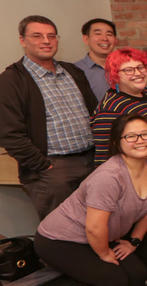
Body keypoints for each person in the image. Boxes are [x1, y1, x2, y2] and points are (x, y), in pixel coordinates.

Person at [36, 114, 147, 286]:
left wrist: (134, 242)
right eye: (131, 136)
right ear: (117, 142)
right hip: (60, 240)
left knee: (137, 271)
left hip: (98, 236)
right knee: (114, 278)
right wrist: (105, 254)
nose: (140, 140)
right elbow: (94, 227)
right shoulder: (109, 176)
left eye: (145, 134)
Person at [0, 15, 98, 218]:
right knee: (62, 229)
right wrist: (42, 165)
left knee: (100, 225)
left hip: (92, 162)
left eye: (51, 36)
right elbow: (8, 133)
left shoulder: (73, 71)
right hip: (53, 172)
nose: (46, 41)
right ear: (22, 40)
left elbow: (94, 113)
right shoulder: (11, 80)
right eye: (37, 36)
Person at [92, 49, 147, 266]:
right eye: (128, 70)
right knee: (146, 249)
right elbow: (105, 158)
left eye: (140, 67)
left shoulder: (146, 96)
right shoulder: (112, 108)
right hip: (142, 194)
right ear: (115, 75)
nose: (137, 73)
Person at [76, 18, 118, 102]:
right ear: (86, 39)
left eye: (109, 34)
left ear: (115, 40)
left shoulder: (127, 66)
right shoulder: (75, 71)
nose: (105, 38)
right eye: (98, 34)